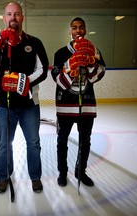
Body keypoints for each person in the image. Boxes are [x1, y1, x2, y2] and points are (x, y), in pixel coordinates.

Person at [0, 2, 49, 193]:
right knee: (4, 145)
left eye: (17, 14)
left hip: (30, 105)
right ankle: (4, 177)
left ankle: (35, 177)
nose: (13, 17)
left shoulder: (33, 42)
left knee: (34, 143)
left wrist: (24, 82)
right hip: (5, 105)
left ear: (22, 18)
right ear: (4, 18)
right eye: (9, 14)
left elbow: (43, 69)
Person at [51, 17, 106, 187]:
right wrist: (73, 65)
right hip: (65, 105)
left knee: (85, 141)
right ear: (70, 31)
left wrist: (89, 62)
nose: (78, 31)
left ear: (85, 30)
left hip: (87, 104)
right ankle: (62, 172)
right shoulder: (60, 53)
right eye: (74, 28)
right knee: (62, 140)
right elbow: (59, 80)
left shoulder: (94, 50)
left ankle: (80, 172)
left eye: (81, 28)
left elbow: (99, 75)